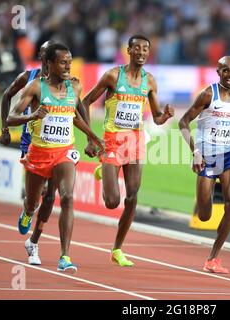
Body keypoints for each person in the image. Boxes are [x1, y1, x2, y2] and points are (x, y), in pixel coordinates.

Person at [7, 43, 103, 273]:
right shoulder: (36, 88)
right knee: (33, 202)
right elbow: (12, 116)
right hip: (39, 153)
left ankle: (65, 256)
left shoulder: (75, 87)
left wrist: (93, 137)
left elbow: (75, 116)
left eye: (69, 62)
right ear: (49, 64)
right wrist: (32, 116)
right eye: (63, 62)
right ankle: (28, 212)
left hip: (63, 152)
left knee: (67, 196)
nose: (68, 66)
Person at [82, 35, 174, 267]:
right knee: (112, 202)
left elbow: (157, 118)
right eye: (138, 48)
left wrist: (166, 115)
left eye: (146, 49)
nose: (142, 52)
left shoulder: (150, 81)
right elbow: (84, 102)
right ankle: (104, 168)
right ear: (129, 51)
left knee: (132, 197)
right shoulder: (113, 76)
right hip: (112, 141)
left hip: (135, 141)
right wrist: (91, 137)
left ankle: (117, 249)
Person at [178, 56, 230, 274]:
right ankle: (209, 190)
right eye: (225, 71)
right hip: (207, 156)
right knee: (204, 215)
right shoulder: (207, 94)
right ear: (218, 72)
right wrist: (194, 152)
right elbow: (183, 122)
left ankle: (213, 258)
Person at [0, 40, 57, 266]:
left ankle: (35, 239)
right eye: (45, 54)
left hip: (55, 144)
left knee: (51, 194)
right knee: (35, 195)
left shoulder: (65, 81)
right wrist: (5, 129)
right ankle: (28, 210)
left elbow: (79, 108)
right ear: (42, 57)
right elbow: (6, 96)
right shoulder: (28, 77)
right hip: (31, 141)